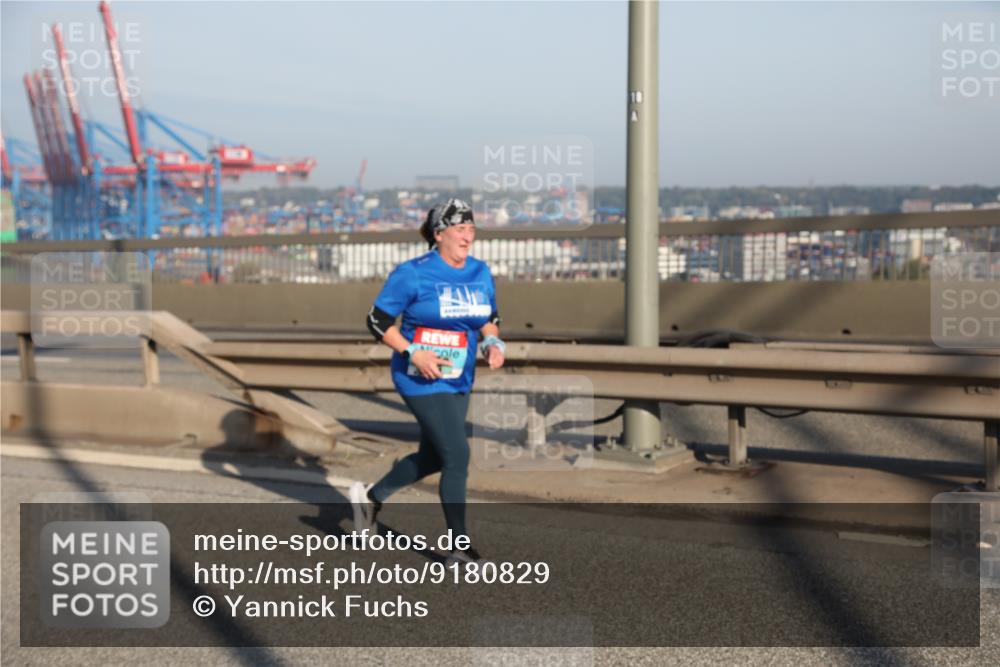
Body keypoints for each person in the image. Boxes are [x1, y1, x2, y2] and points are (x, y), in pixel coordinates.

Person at [351, 198, 505, 565]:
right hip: (419, 376)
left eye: (471, 229)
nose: (467, 237)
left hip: (459, 375)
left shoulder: (480, 272)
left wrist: (492, 341)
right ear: (439, 234)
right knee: (458, 454)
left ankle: (370, 500)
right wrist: (412, 353)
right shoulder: (414, 273)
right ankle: (459, 546)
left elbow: (489, 316)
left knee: (434, 455)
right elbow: (376, 321)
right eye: (459, 229)